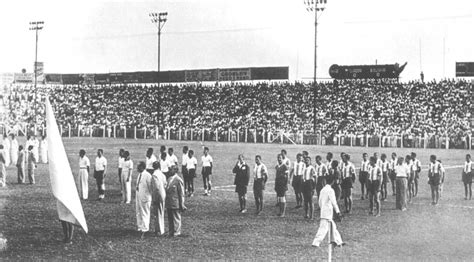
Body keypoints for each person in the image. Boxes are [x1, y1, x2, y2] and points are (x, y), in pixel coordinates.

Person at [311, 174, 344, 248]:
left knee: (333, 226)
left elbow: (319, 201)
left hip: (324, 210)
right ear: (332, 181)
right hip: (327, 211)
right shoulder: (330, 190)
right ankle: (316, 243)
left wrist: (322, 207)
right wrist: (338, 212)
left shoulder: (323, 189)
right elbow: (334, 202)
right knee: (323, 228)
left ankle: (339, 241)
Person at [165, 165, 186, 237]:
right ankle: (171, 231)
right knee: (170, 217)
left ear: (175, 171)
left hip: (175, 202)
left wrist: (182, 204)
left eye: (172, 169)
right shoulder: (169, 179)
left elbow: (181, 193)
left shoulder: (178, 180)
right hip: (169, 201)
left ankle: (177, 232)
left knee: (176, 217)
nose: (170, 171)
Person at [135, 161, 153, 238]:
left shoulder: (147, 175)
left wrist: (149, 196)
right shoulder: (140, 175)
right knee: (138, 211)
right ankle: (140, 227)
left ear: (142, 167)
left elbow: (150, 187)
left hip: (145, 197)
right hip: (139, 195)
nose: (137, 168)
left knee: (145, 212)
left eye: (138, 167)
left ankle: (145, 229)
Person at [151, 161, 167, 236]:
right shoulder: (162, 174)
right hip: (163, 193)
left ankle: (159, 230)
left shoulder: (154, 175)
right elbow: (165, 184)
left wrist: (155, 197)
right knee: (161, 211)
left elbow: (156, 187)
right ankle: (159, 229)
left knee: (157, 212)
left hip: (158, 194)